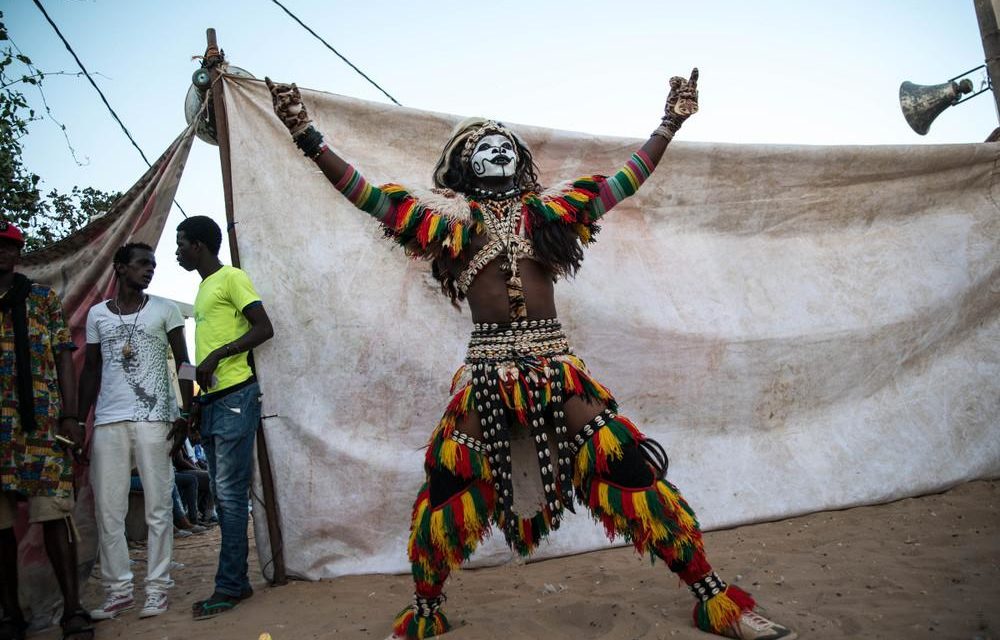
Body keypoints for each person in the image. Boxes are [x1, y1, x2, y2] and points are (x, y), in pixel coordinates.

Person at [265, 70, 797, 640]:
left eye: (506, 145)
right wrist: (306, 134)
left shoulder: (553, 212)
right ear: (463, 165)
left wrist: (669, 124)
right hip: (487, 374)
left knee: (630, 468)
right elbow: (366, 195)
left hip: (556, 369)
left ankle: (715, 601)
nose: (497, 150)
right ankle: (425, 610)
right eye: (482, 147)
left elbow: (625, 181)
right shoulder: (445, 221)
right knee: (449, 486)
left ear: (521, 160)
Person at [77, 242, 193, 620]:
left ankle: (157, 588)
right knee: (109, 509)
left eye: (153, 265)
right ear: (120, 268)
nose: (150, 270)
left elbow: (184, 364)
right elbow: (91, 370)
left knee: (159, 507)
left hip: (155, 417)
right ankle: (118, 590)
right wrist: (80, 421)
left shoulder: (165, 309)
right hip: (109, 420)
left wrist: (186, 413)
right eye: (143, 264)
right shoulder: (97, 315)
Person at [174, 215, 274, 620]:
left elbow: (264, 327)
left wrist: (219, 354)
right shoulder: (202, 289)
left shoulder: (231, 277)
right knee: (223, 493)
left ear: (198, 245)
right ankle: (236, 582)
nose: (177, 251)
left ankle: (230, 586)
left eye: (181, 244)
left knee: (230, 497)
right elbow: (201, 356)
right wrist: (194, 404)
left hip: (236, 396)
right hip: (214, 401)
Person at [0, 221, 93, 640]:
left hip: (42, 426)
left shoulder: (41, 300)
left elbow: (63, 358)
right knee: (1, 526)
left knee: (55, 517)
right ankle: (11, 616)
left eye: (8, 247)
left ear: (18, 254)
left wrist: (71, 418)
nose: (2, 253)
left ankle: (72, 611)